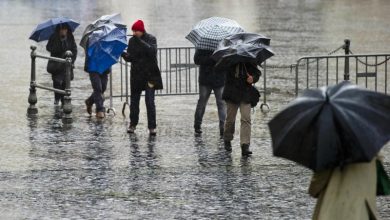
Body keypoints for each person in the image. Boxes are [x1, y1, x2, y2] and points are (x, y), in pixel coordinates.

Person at [121, 20, 163, 135]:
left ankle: (152, 127)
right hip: (136, 76)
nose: (134, 33)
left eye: (136, 31)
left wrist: (140, 41)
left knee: (149, 101)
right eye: (133, 31)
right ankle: (133, 124)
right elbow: (130, 57)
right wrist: (122, 53)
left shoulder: (151, 38)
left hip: (150, 76)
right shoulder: (132, 41)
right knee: (134, 102)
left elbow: (152, 51)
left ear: (141, 30)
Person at [222, 62, 261, 156]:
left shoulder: (249, 60)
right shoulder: (229, 60)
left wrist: (253, 78)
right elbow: (222, 73)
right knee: (230, 120)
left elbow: (257, 73)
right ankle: (227, 138)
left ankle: (245, 145)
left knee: (246, 119)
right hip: (232, 93)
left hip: (245, 93)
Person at [193, 49, 226, 135]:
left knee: (221, 103)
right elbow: (196, 59)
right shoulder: (203, 47)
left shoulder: (222, 46)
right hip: (206, 79)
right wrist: (212, 59)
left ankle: (223, 127)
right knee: (202, 102)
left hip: (219, 79)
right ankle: (197, 124)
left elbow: (227, 61)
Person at [46, 24, 77, 106]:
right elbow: (48, 48)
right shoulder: (53, 37)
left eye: (65, 29)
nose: (63, 31)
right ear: (58, 30)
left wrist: (72, 62)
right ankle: (57, 99)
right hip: (56, 64)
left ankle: (64, 101)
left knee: (65, 83)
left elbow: (74, 49)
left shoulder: (70, 37)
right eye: (61, 29)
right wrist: (60, 43)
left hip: (66, 65)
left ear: (67, 30)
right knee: (56, 82)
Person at [84, 38, 111, 119]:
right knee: (97, 88)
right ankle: (100, 110)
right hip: (93, 66)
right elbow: (89, 52)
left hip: (104, 66)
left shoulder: (108, 39)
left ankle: (89, 101)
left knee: (103, 87)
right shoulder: (91, 38)